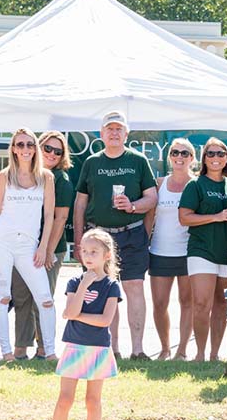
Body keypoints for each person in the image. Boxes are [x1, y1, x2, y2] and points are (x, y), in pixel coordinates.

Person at [73, 111, 157, 360]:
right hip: (98, 237)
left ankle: (138, 349)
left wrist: (132, 206)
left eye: (119, 129)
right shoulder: (91, 162)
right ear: (102, 134)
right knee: (106, 291)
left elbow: (152, 198)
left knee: (134, 288)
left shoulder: (138, 160)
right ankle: (112, 349)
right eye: (109, 128)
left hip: (131, 234)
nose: (114, 133)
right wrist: (80, 242)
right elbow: (80, 204)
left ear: (126, 134)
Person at [0, 128, 57, 362]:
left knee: (45, 298)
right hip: (0, 242)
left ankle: (50, 352)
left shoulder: (46, 177)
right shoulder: (4, 176)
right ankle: (6, 353)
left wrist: (43, 247)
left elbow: (50, 215)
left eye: (30, 144)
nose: (25, 149)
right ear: (13, 148)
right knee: (2, 297)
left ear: (35, 148)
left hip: (29, 246)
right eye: (20, 144)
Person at [11, 131, 74, 360]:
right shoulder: (29, 175)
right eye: (47, 148)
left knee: (42, 298)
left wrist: (47, 251)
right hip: (22, 246)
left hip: (50, 248)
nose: (52, 154)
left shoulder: (61, 180)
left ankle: (43, 348)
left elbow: (60, 219)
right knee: (21, 297)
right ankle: (20, 347)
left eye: (58, 151)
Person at [178, 137, 227, 362]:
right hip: (201, 250)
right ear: (204, 159)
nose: (215, 158)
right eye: (210, 154)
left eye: (220, 154)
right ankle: (200, 354)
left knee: (222, 304)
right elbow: (184, 218)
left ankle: (214, 355)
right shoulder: (195, 185)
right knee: (202, 303)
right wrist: (217, 217)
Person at [53, 229, 121, 420]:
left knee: (93, 400)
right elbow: (69, 312)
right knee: (65, 399)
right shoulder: (75, 283)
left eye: (94, 252)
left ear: (106, 255)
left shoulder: (111, 286)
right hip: (74, 347)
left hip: (98, 349)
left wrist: (76, 315)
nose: (88, 256)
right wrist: (84, 285)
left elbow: (105, 320)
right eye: (84, 251)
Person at [144, 138, 195, 361]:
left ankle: (182, 351)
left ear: (192, 158)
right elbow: (149, 216)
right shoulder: (159, 183)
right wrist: (144, 243)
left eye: (185, 153)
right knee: (160, 303)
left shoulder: (197, 184)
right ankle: (165, 349)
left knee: (187, 302)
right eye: (175, 152)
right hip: (159, 252)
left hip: (188, 252)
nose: (180, 157)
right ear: (170, 157)